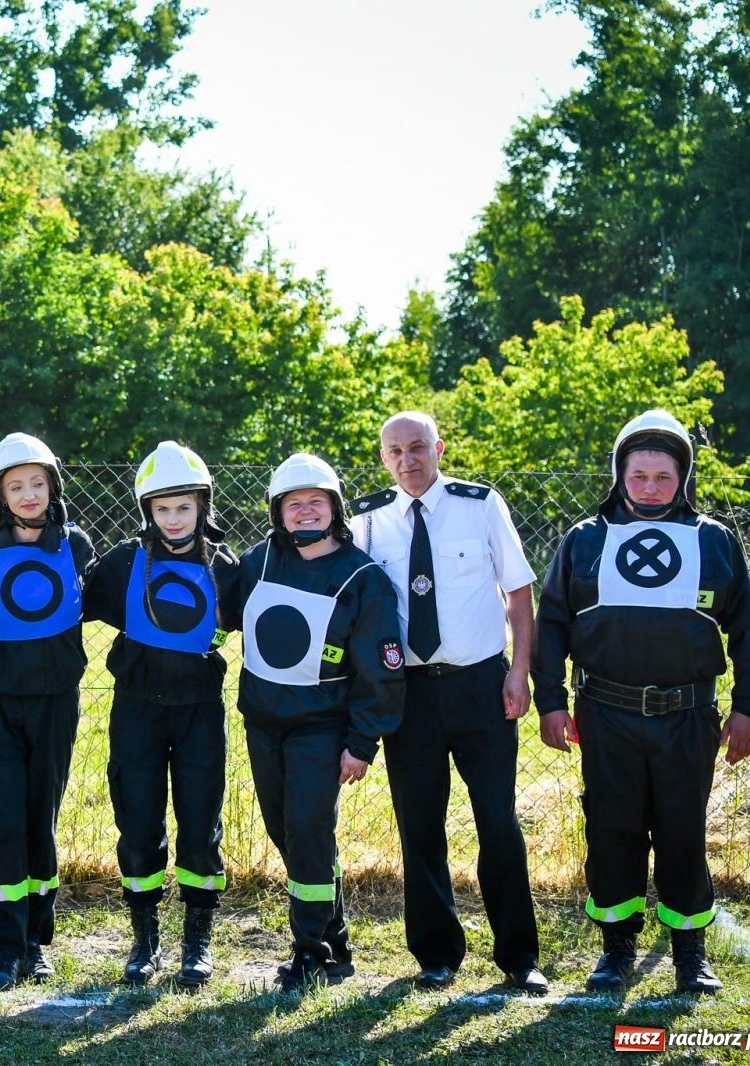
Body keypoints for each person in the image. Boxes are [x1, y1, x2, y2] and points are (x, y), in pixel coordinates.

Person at [533, 410, 750, 995]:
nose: (649, 487)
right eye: (638, 475)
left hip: (687, 718)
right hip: (605, 716)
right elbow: (552, 625)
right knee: (612, 832)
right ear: (620, 476)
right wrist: (550, 702)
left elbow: (749, 629)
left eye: (662, 477)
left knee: (683, 832)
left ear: (682, 480)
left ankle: (689, 950)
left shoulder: (713, 541)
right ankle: (616, 948)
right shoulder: (584, 541)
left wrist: (747, 708)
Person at [349, 411, 546, 994]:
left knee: (498, 821)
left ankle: (518, 956)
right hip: (407, 693)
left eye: (416, 448)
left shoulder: (480, 504)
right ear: (383, 458)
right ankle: (436, 953)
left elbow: (518, 590)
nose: (407, 461)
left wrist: (519, 670)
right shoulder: (368, 520)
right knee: (420, 825)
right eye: (394, 452)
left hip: (481, 686)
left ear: (438, 448)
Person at [229, 453, 404, 992]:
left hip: (320, 730)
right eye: (293, 504)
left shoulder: (361, 577)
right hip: (262, 723)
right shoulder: (258, 563)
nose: (305, 512)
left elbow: (380, 668)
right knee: (286, 832)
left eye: (315, 502)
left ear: (335, 508)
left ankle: (309, 953)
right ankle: (336, 938)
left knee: (308, 832)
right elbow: (218, 619)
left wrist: (361, 741)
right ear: (277, 513)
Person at [81, 441, 238, 989]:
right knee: (139, 822)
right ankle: (144, 938)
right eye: (162, 509)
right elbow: (68, 596)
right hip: (137, 711)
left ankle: (197, 940)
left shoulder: (224, 565)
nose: (174, 520)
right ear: (148, 510)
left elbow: (254, 621)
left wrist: (215, 633)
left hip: (200, 712)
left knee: (201, 824)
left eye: (184, 508)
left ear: (202, 506)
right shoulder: (124, 562)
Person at [0, 432, 98, 990]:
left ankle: (37, 941)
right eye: (16, 486)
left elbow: (107, 593)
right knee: (3, 820)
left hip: (57, 696)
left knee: (41, 819)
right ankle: (4, 947)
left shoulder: (76, 544)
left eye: (37, 482)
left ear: (52, 486)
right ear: (0, 494)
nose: (29, 494)